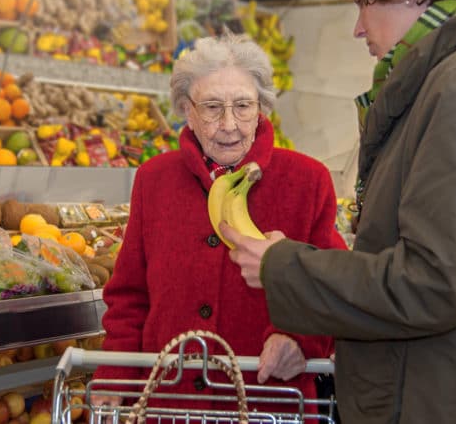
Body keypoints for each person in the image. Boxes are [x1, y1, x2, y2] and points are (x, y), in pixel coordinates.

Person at [221, 0, 456, 423]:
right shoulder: (453, 80)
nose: (358, 27)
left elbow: (439, 282)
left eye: (364, 2)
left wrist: (285, 267)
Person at [91, 33, 346, 418]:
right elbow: (130, 295)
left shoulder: (308, 180)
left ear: (262, 108)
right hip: (171, 405)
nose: (229, 124)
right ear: (186, 110)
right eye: (212, 107)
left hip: (269, 402)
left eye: (243, 106)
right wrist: (116, 372)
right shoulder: (154, 179)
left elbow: (336, 287)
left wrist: (303, 341)